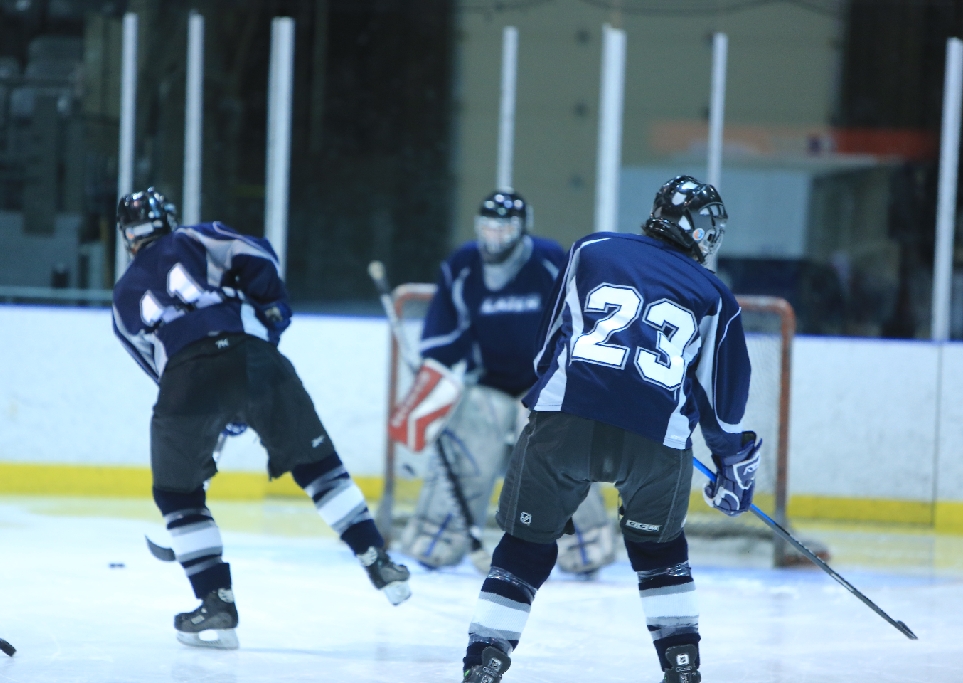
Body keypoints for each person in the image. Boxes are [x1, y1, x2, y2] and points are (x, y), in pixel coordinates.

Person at [460, 176, 761, 683]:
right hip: (654, 442)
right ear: (701, 231)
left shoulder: (592, 249)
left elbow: (546, 348)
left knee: (524, 546)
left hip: (564, 423)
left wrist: (565, 399)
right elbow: (724, 402)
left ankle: (484, 660)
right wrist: (730, 460)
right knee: (660, 553)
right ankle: (682, 666)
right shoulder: (715, 295)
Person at [111, 187, 410, 650]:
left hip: (186, 382)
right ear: (167, 219)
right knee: (320, 469)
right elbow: (255, 254)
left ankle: (215, 600)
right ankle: (376, 558)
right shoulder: (195, 237)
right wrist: (271, 304)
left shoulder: (122, 297)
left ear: (127, 238)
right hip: (254, 360)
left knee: (177, 495)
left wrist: (204, 419)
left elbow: (159, 369)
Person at [388, 190, 616, 576]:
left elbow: (578, 319)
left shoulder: (548, 260)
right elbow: (443, 334)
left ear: (522, 228)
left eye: (504, 228)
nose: (494, 237)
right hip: (487, 385)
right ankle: (437, 540)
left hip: (543, 385)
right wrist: (435, 366)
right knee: (467, 458)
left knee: (560, 461)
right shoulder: (463, 265)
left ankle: (586, 545)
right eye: (488, 227)